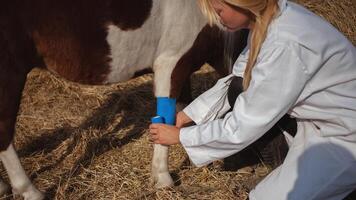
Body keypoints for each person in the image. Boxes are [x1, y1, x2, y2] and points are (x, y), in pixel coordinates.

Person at [149, 0, 356, 199]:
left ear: (240, 3)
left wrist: (181, 137)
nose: (215, 19)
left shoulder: (284, 43)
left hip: (346, 138)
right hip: (320, 125)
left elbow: (244, 125)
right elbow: (238, 80)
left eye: (218, 11)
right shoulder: (270, 19)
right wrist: (188, 115)